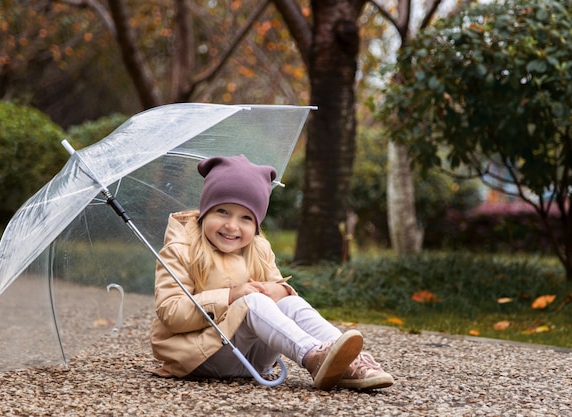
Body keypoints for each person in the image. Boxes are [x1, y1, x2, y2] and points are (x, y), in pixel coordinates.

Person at [149, 154, 394, 390]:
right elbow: (171, 313)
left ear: (256, 224)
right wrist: (231, 296)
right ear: (205, 212)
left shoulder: (258, 248)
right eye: (222, 211)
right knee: (253, 301)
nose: (232, 225)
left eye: (246, 218)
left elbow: (278, 295)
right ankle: (311, 355)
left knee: (289, 303)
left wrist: (278, 289)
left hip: (252, 360)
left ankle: (350, 360)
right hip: (201, 356)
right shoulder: (181, 250)